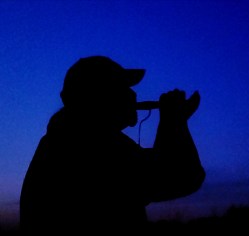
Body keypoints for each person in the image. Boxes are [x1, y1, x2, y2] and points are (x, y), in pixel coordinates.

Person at [20, 55, 205, 234]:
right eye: (123, 87)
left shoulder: (65, 138)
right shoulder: (95, 144)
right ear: (100, 95)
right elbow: (182, 176)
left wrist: (173, 122)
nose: (133, 94)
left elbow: (161, 170)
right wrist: (174, 121)